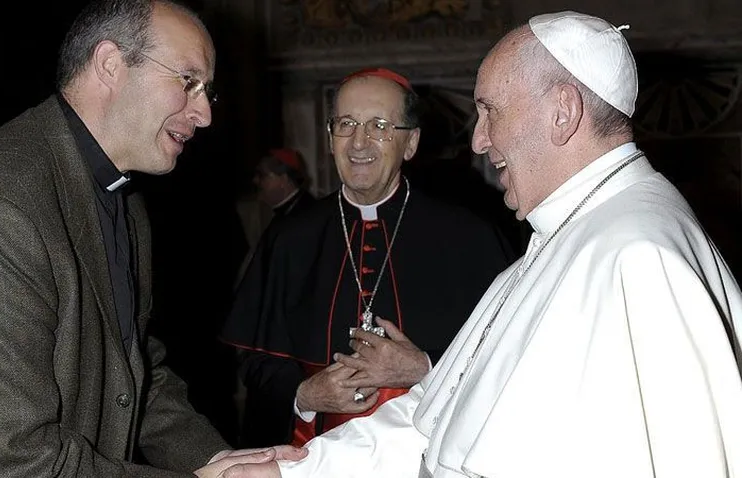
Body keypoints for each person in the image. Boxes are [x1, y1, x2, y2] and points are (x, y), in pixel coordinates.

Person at [221, 10, 742, 478]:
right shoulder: (562, 237)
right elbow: (436, 418)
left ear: (562, 111)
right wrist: (293, 469)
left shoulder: (641, 257)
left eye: (491, 111)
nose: (478, 139)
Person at [0, 0, 306, 476]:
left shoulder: (119, 196)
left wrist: (214, 460)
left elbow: (131, 371)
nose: (204, 113)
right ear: (110, 64)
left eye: (206, 91)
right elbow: (10, 463)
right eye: (188, 81)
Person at [221, 67, 514, 449]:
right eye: (346, 124)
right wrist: (305, 394)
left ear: (410, 143)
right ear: (330, 138)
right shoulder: (290, 237)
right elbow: (255, 358)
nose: (359, 142)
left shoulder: (468, 236)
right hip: (314, 454)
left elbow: (509, 348)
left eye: (379, 126)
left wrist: (425, 367)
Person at [235, 148, 317, 285]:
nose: (256, 180)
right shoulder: (286, 212)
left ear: (283, 179)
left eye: (262, 175)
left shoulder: (306, 216)